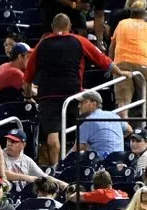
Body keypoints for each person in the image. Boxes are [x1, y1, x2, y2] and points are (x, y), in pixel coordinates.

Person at [23, 13, 131, 165]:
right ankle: (82, 164)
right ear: (69, 27)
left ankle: (55, 169)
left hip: (48, 94)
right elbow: (102, 59)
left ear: (53, 28)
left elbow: (27, 77)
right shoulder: (79, 40)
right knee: (82, 129)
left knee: (52, 136)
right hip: (73, 93)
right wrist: (121, 72)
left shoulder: (42, 45)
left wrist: (28, 96)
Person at [110, 1, 147, 119]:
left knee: (123, 103)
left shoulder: (121, 24)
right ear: (145, 16)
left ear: (131, 14)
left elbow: (112, 47)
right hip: (143, 63)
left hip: (121, 63)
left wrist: (111, 66)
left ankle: (124, 134)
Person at [76, 91, 131, 158]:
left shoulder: (88, 122)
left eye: (83, 102)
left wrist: (63, 160)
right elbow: (129, 130)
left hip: (101, 164)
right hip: (120, 160)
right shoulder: (113, 115)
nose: (79, 106)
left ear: (94, 103)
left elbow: (77, 148)